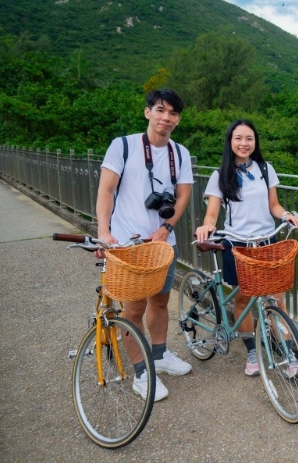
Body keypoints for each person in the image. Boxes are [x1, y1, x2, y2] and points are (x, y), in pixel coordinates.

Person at [96, 89, 193, 401]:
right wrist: (103, 232)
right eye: (161, 110)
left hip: (164, 243)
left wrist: (166, 227)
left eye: (173, 113)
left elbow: (183, 196)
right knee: (133, 309)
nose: (167, 118)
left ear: (178, 119)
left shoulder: (181, 153)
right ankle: (141, 372)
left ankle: (160, 355)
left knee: (161, 302)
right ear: (147, 112)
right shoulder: (123, 146)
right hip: (129, 244)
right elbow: (107, 191)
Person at [195, 119, 298, 376]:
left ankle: (289, 355)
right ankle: (252, 353)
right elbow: (212, 213)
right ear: (230, 142)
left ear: (255, 142)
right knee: (243, 298)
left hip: (266, 243)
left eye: (249, 139)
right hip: (237, 244)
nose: (244, 143)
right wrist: (206, 227)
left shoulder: (265, 169)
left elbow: (273, 205)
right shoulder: (220, 175)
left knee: (277, 300)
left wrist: (285, 214)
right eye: (239, 138)